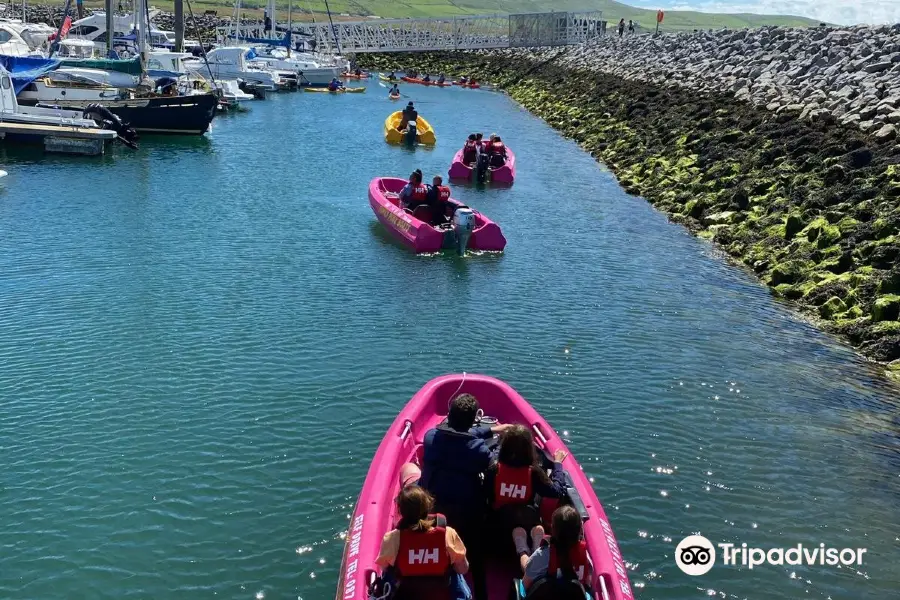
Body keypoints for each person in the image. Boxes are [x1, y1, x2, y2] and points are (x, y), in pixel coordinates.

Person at [401, 393, 514, 600]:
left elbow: (462, 437)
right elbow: (485, 461)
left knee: (408, 468)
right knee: (478, 551)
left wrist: (489, 429)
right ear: (472, 421)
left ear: (449, 416)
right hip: (467, 514)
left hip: (433, 507)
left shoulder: (430, 438)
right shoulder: (479, 451)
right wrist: (496, 434)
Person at [484, 426, 568, 573]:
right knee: (536, 498)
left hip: (500, 527)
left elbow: (485, 494)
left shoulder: (493, 469)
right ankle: (536, 547)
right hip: (528, 521)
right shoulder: (534, 472)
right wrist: (558, 465)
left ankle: (523, 549)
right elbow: (557, 491)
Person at [376, 486, 472, 600]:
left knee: (390, 573)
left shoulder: (391, 538)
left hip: (407, 593)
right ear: (427, 506)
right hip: (441, 591)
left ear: (401, 511)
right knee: (455, 572)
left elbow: (384, 568)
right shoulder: (448, 534)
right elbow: (463, 569)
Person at [523, 505, 592, 595]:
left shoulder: (542, 555)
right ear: (579, 531)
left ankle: (522, 550)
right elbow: (587, 582)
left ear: (553, 529)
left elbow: (525, 585)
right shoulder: (585, 555)